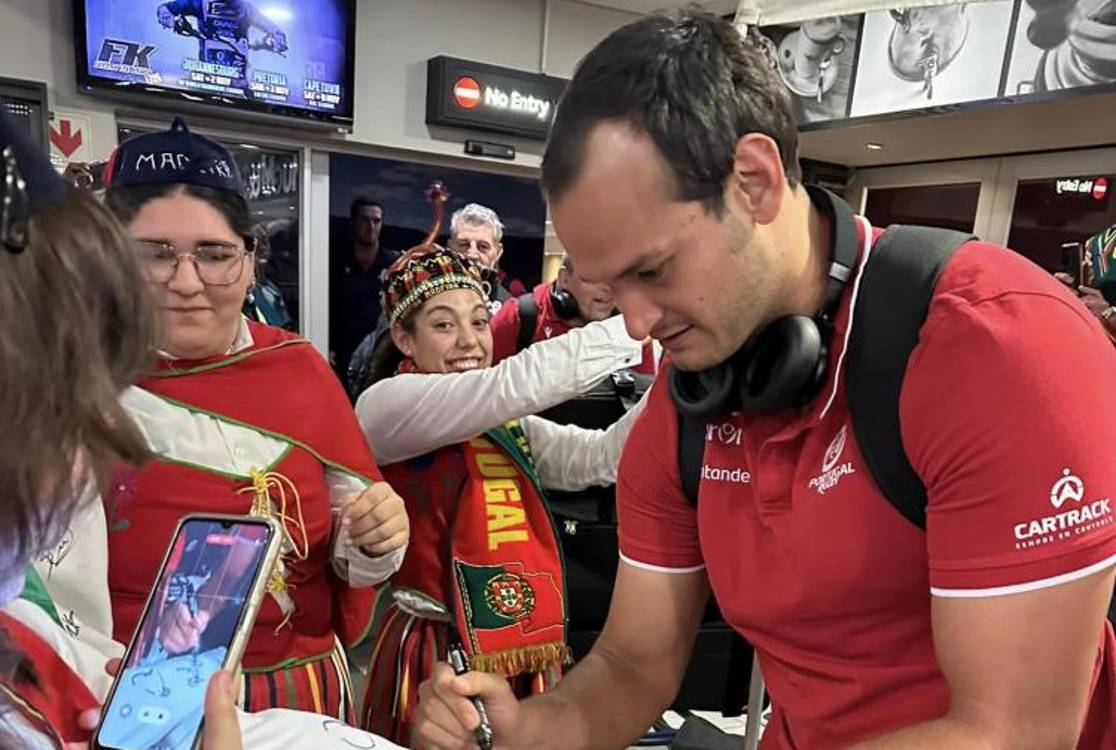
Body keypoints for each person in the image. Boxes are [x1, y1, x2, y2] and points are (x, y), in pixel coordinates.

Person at [413, 10, 1116, 750]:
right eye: (611, 287)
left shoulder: (998, 349)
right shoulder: (690, 400)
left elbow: (1013, 731)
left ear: (754, 181)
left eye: (652, 270)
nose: (638, 323)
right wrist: (525, 729)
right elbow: (633, 664)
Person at [0, 110, 410, 750]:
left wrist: (376, 541)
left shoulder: (300, 368)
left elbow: (351, 545)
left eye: (215, 255)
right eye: (154, 254)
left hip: (305, 690)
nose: (187, 282)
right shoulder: (63, 386)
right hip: (131, 699)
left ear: (250, 262)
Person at [352, 244, 646, 745]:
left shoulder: (497, 422)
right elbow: (512, 383)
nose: (469, 341)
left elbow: (598, 458)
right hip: (435, 651)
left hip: (519, 643)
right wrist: (647, 322)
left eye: (479, 322)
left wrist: (677, 383)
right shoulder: (385, 407)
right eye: (444, 325)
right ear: (404, 339)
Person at [490, 252, 658, 375]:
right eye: (594, 277)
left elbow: (646, 396)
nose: (607, 288)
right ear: (564, 278)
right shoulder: (520, 315)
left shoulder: (631, 328)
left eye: (616, 278)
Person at [331, 197, 400, 386]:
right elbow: (325, 304)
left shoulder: (393, 263)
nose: (371, 227)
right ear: (353, 223)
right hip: (341, 354)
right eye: (365, 220)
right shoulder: (334, 260)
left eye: (376, 221)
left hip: (381, 354)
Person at [449, 202, 514, 312]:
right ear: (450, 247)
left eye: (483, 247)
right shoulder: (429, 299)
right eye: (464, 245)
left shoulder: (508, 311)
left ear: (498, 253)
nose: (472, 255)